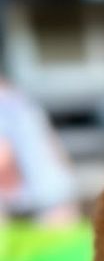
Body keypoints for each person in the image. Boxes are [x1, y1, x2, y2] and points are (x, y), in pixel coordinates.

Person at [0, 86, 78, 225]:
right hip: (58, 190)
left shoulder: (6, 105)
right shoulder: (16, 99)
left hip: (39, 204)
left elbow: (3, 161)